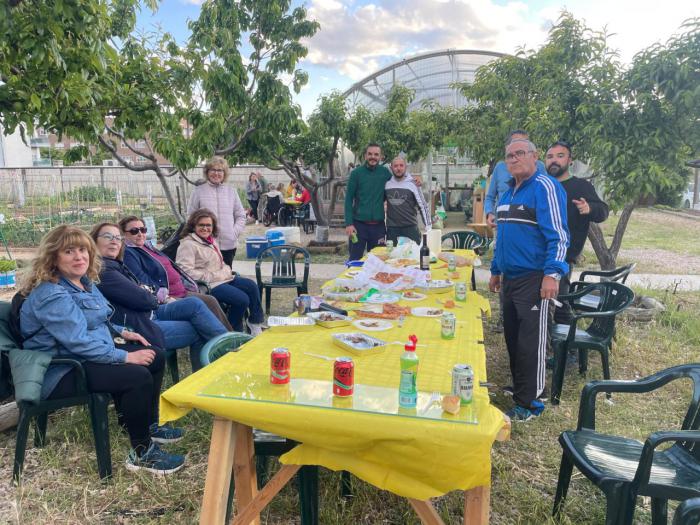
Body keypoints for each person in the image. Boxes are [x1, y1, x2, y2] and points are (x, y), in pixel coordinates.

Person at [19, 225, 185, 474]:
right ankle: (142, 453)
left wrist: (122, 332)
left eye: (83, 250)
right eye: (69, 251)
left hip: (82, 358)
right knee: (136, 374)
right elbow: (78, 341)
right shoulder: (52, 293)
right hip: (60, 369)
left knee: (155, 356)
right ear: (53, 257)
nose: (79, 257)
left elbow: (99, 320)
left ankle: (144, 424)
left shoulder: (83, 282)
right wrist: (125, 356)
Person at [488, 138, 569, 422]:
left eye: (520, 153)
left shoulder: (545, 187)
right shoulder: (508, 193)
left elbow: (558, 236)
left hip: (535, 279)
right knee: (513, 336)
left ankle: (531, 402)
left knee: (531, 341)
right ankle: (522, 387)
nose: (513, 159)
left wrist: (552, 274)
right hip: (510, 278)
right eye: (509, 155)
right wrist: (496, 269)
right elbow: (502, 238)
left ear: (534, 156)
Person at [91, 223, 229, 372]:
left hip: (149, 313)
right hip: (138, 325)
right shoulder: (104, 270)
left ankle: (230, 348)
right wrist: (149, 295)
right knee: (200, 328)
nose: (114, 241)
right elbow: (144, 299)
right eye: (107, 236)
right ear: (93, 242)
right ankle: (222, 363)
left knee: (194, 304)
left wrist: (146, 294)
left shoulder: (115, 264)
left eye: (118, 238)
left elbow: (141, 292)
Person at [119, 215, 233, 331]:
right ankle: (224, 341)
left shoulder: (147, 246)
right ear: (124, 234)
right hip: (168, 297)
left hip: (182, 290)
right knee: (199, 308)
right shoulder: (129, 253)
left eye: (143, 230)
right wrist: (165, 297)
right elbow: (141, 278)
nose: (140, 234)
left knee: (210, 301)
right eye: (134, 231)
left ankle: (231, 336)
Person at [545, 141, 609, 323]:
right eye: (550, 157)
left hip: (562, 258)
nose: (554, 161)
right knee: (539, 304)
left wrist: (589, 208)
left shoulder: (580, 186)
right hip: (537, 256)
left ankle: (567, 347)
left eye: (560, 156)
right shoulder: (541, 186)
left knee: (558, 305)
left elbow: (603, 211)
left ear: (569, 161)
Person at [176, 209, 265, 335]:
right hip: (207, 285)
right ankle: (230, 331)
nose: (205, 228)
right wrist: (216, 275)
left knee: (251, 285)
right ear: (193, 226)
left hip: (224, 279)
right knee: (242, 299)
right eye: (201, 225)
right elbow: (185, 273)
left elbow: (222, 263)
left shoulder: (211, 241)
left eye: (208, 225)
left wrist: (225, 271)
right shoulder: (188, 245)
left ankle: (254, 323)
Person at [187, 156, 247, 265]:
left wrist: (233, 233)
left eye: (220, 170)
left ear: (224, 174)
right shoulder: (198, 191)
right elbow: (190, 217)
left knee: (227, 276)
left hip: (228, 245)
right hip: (205, 245)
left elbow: (241, 216)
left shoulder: (231, 192)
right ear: (207, 172)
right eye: (213, 170)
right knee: (209, 278)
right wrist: (200, 236)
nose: (216, 173)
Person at [344, 143, 399, 260]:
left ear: (380, 157)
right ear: (365, 156)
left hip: (378, 227)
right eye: (370, 154)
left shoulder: (385, 173)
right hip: (358, 227)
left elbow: (399, 180)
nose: (372, 157)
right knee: (354, 260)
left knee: (378, 262)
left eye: (376, 154)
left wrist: (414, 180)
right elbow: (348, 199)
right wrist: (349, 223)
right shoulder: (356, 174)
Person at [484, 130, 546, 228]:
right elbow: (490, 197)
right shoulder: (500, 167)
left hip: (529, 226)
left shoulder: (539, 166)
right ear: (507, 148)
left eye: (525, 142)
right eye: (516, 142)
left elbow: (545, 198)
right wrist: (489, 213)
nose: (520, 145)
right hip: (501, 225)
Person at [385, 156, 431, 244]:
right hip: (392, 229)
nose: (398, 168)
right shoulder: (387, 184)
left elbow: (423, 206)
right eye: (396, 166)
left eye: (401, 165)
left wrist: (428, 227)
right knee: (392, 256)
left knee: (414, 256)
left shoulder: (413, 184)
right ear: (391, 168)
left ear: (406, 167)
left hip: (410, 228)